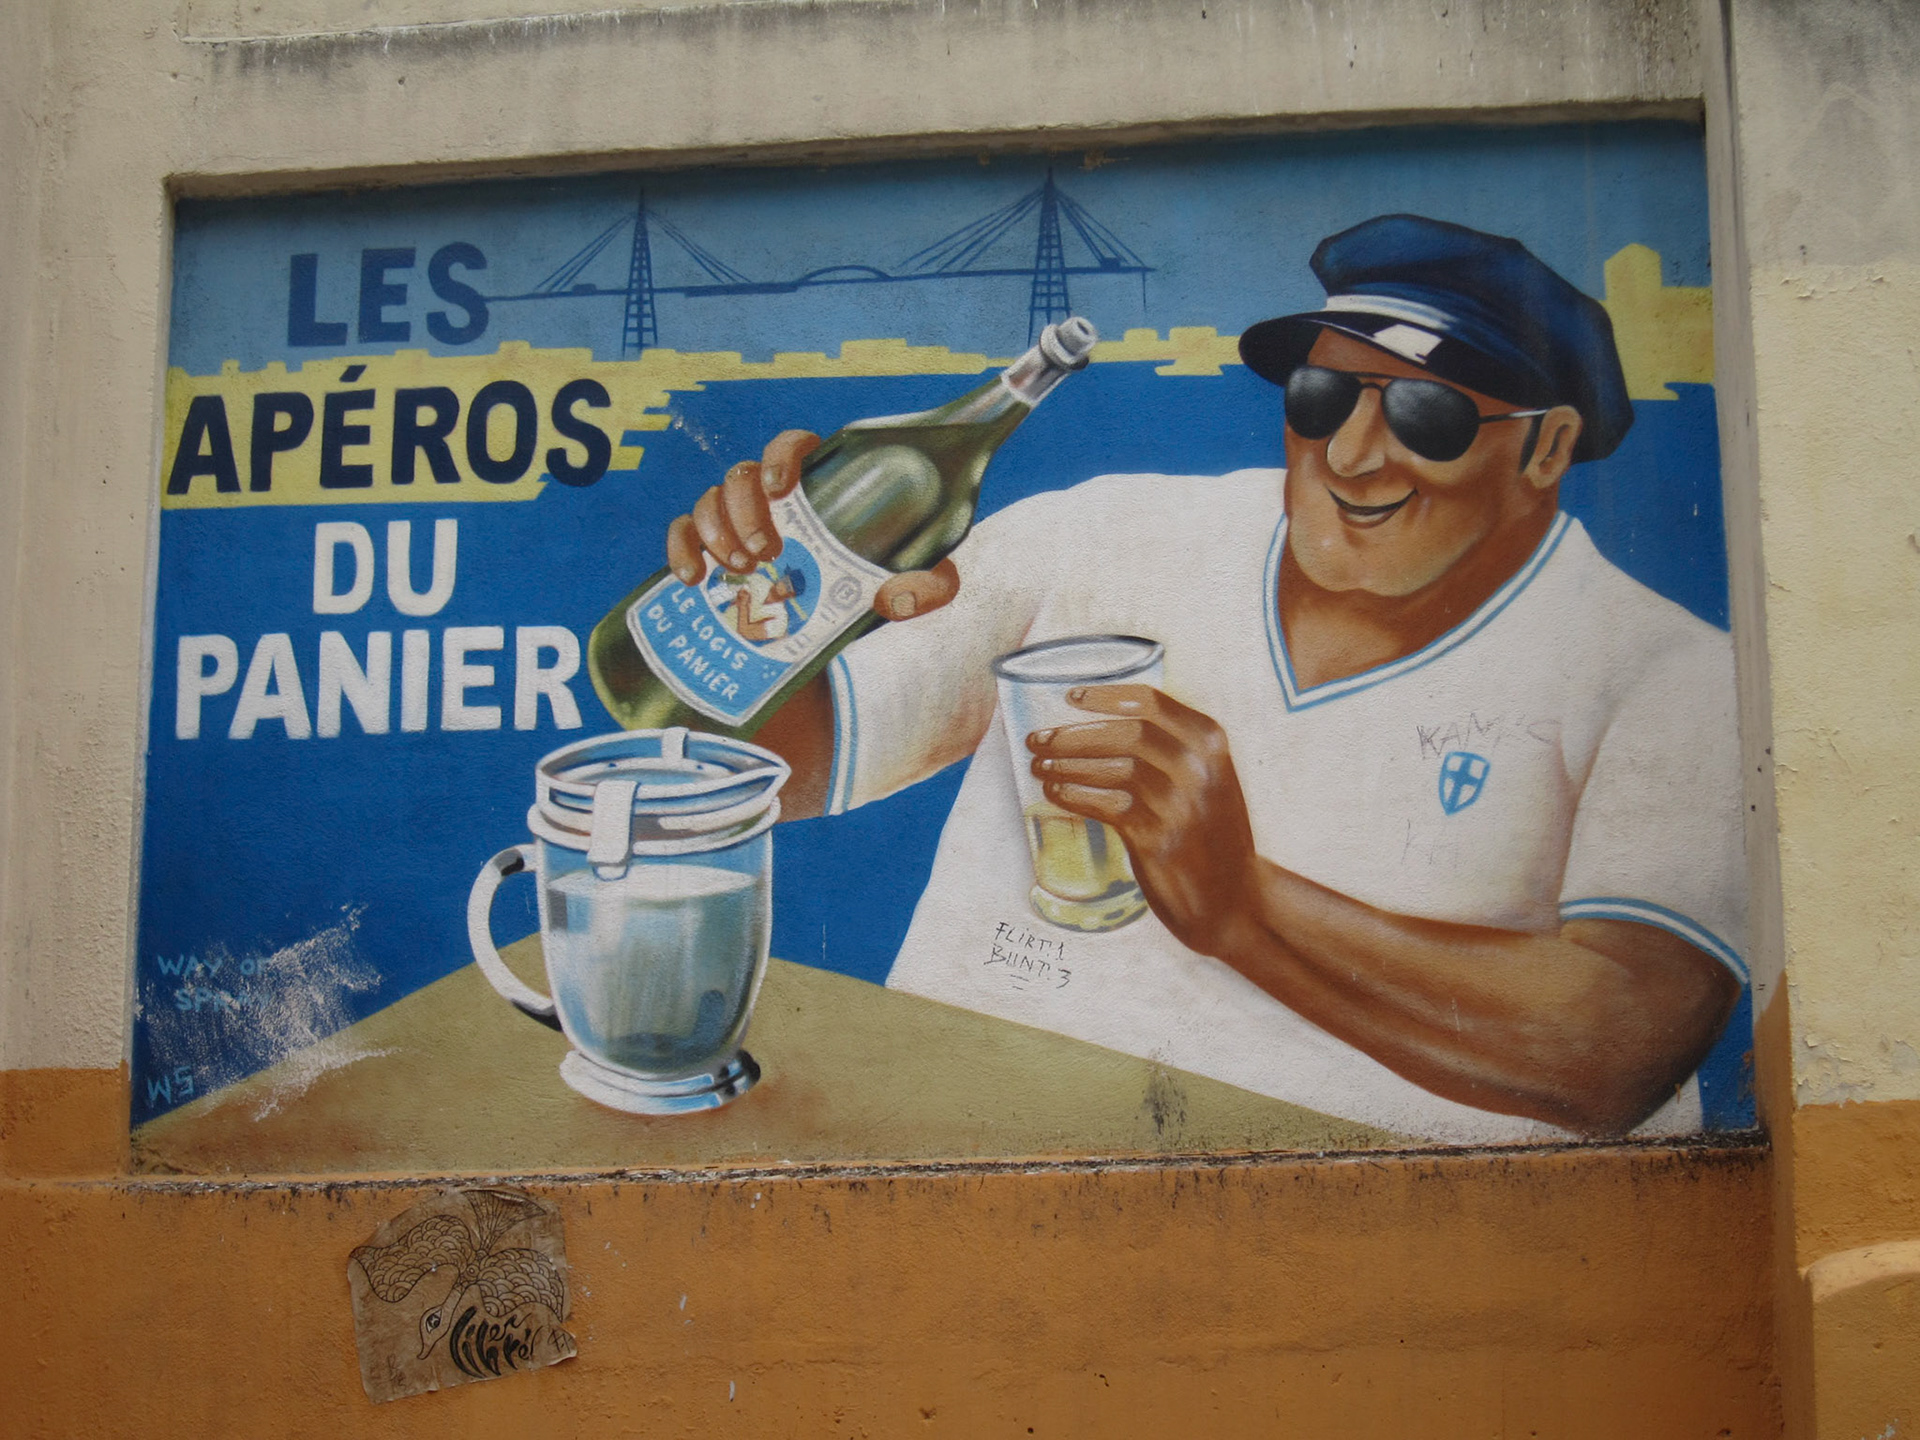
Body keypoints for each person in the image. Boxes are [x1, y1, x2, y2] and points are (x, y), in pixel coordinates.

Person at [662, 215, 1747, 1145]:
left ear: (1547, 449)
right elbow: (750, 768)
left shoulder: (1668, 676)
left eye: (1427, 416)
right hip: (953, 1179)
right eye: (1323, 397)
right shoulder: (1104, 532)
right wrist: (749, 605)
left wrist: (1242, 905)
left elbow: (1620, 1043)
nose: (1353, 455)